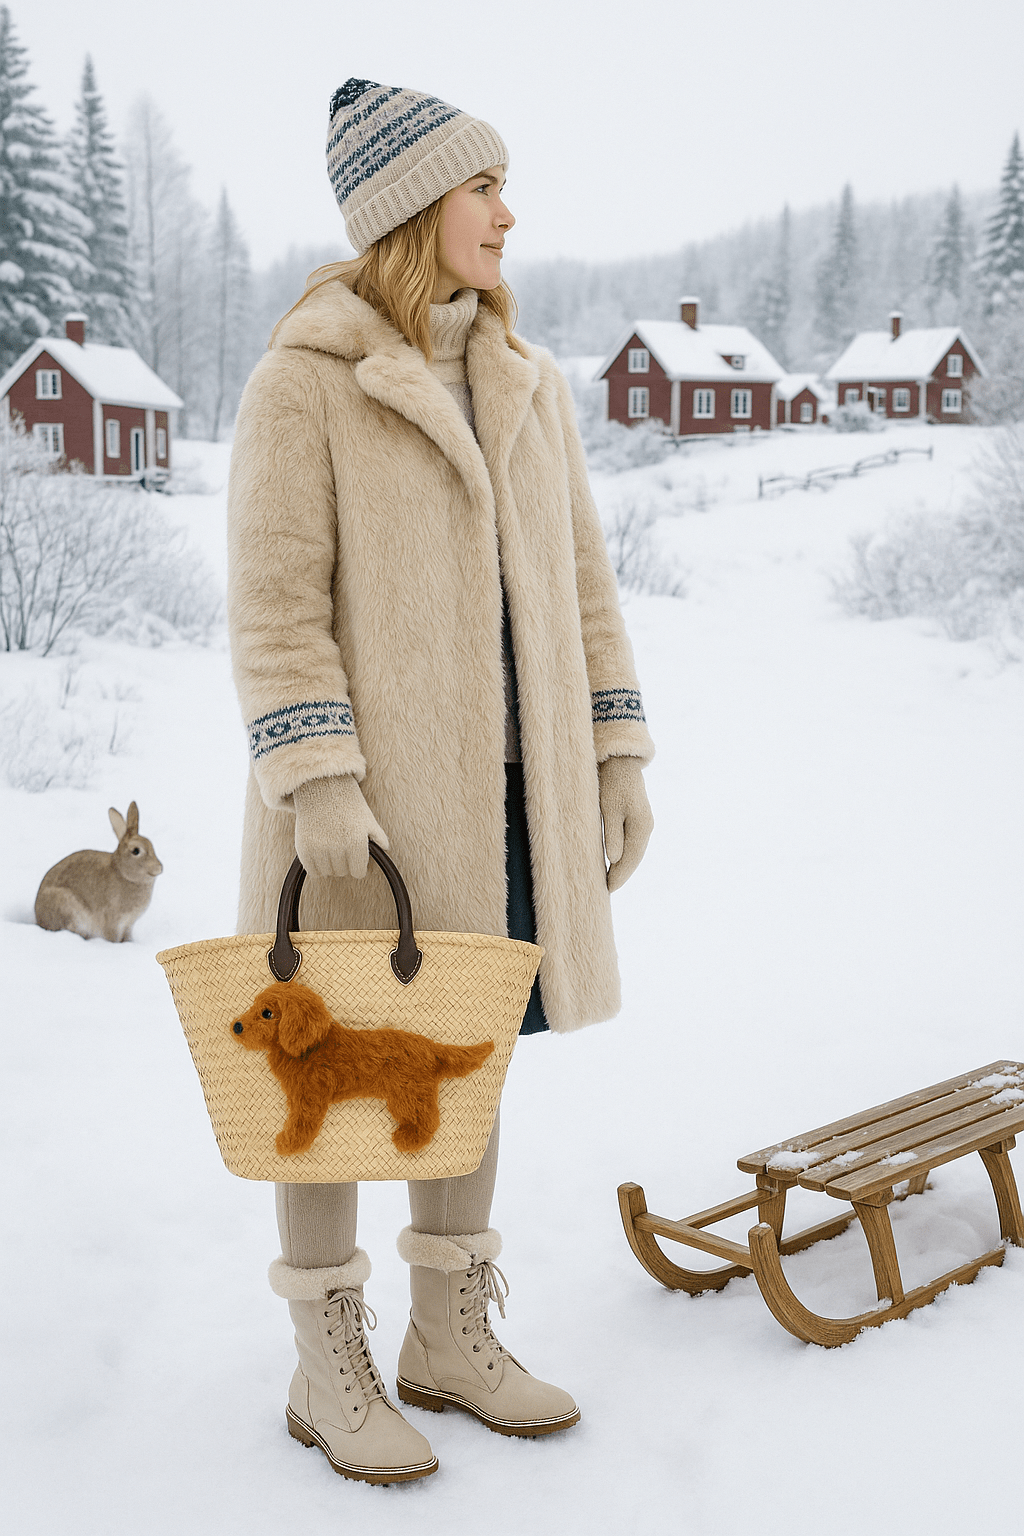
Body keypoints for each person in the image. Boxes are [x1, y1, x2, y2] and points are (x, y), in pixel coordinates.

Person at [226, 78, 655, 1485]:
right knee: (327, 1070)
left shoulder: (527, 384)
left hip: (515, 800)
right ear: (415, 210)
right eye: (485, 189)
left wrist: (615, 751)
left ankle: (447, 1336)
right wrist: (320, 780)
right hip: (367, 821)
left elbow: (587, 587)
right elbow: (276, 605)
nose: (508, 213)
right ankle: (325, 1356)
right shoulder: (307, 381)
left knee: (462, 1064)